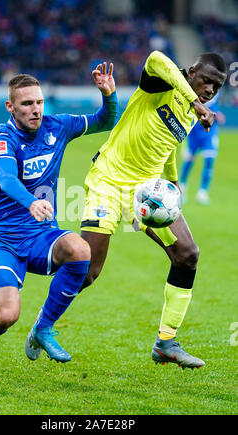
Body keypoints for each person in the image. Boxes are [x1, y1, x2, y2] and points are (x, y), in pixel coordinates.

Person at [0, 63, 118, 385]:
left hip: (40, 233)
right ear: (10, 106)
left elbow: (106, 120)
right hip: (1, 237)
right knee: (5, 316)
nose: (35, 109)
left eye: (38, 102)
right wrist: (31, 201)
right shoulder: (2, 136)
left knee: (80, 250)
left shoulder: (58, 126)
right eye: (27, 104)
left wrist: (108, 95)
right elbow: (6, 177)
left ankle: (43, 328)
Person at [80, 50, 227, 369]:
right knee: (88, 272)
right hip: (110, 179)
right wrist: (195, 102)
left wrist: (173, 183)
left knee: (188, 255)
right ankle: (42, 321)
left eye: (217, 87)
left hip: (146, 192)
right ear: (191, 72)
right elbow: (156, 58)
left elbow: (169, 146)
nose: (210, 91)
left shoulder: (190, 113)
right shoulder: (161, 84)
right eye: (206, 82)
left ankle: (165, 342)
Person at [180, 93, 226, 205]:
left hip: (209, 132)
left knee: (209, 160)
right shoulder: (196, 85)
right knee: (189, 160)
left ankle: (203, 192)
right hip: (194, 130)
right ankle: (181, 188)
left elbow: (214, 106)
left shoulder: (217, 88)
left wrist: (218, 114)